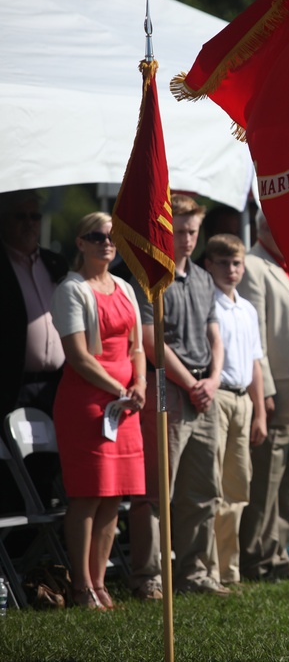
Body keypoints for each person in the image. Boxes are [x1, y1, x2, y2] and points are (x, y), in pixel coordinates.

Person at [129, 194, 228, 600]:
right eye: (180, 231)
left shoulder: (204, 278)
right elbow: (152, 341)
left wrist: (215, 379)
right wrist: (191, 383)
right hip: (168, 389)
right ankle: (148, 576)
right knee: (156, 492)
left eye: (193, 230)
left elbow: (213, 333)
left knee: (204, 489)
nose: (187, 239)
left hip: (205, 391)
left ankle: (195, 572)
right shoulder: (152, 278)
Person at [50, 212, 145, 609]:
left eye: (112, 236)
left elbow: (137, 347)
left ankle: (101, 583)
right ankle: (81, 586)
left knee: (114, 497)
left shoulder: (124, 286)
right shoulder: (71, 290)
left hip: (125, 407)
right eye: (97, 235)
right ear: (81, 242)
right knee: (87, 496)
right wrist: (120, 388)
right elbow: (77, 356)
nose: (107, 242)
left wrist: (138, 385)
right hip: (87, 404)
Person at [238, 212, 289, 582]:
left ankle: (278, 554)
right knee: (266, 481)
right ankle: (256, 559)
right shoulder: (253, 266)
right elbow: (257, 334)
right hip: (277, 391)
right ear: (265, 229)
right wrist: (262, 389)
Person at [202, 234, 268, 586]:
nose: (231, 269)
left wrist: (259, 411)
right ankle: (209, 569)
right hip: (217, 399)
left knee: (238, 489)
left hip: (243, 399)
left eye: (237, 263)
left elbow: (255, 363)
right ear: (208, 264)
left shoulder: (246, 307)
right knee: (212, 487)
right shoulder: (206, 302)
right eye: (223, 262)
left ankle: (229, 570)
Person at [0, 189, 68, 515]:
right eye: (20, 216)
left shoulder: (55, 263)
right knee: (12, 479)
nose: (29, 223)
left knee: (47, 472)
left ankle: (40, 560)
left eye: (35, 216)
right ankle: (14, 559)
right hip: (13, 387)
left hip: (54, 386)